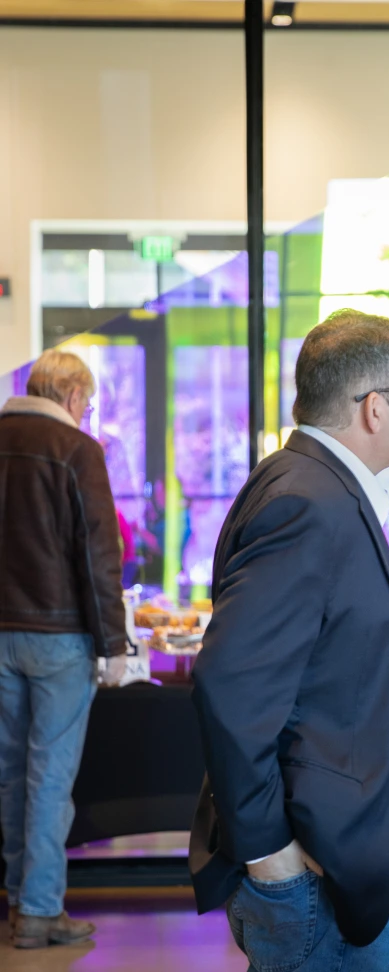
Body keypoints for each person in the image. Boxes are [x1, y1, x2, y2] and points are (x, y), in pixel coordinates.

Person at [188, 310, 389, 971]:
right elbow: (230, 683)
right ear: (376, 408)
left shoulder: (315, 484)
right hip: (308, 881)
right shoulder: (306, 501)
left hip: (337, 862)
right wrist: (271, 854)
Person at [0, 350, 128, 949]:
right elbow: (99, 555)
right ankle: (40, 911)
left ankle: (17, 897)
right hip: (60, 638)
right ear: (74, 396)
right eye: (89, 403)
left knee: (8, 773)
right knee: (50, 779)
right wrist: (115, 644)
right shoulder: (78, 451)